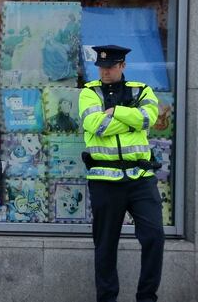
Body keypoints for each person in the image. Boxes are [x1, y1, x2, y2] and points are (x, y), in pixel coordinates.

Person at [79, 45, 163, 302]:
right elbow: (95, 124)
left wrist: (116, 111)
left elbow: (149, 118)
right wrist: (131, 118)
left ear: (123, 66)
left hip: (141, 178)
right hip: (105, 180)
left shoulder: (142, 89)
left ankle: (147, 297)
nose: (105, 71)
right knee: (105, 246)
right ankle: (107, 299)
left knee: (154, 237)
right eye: (101, 67)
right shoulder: (89, 92)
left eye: (111, 66)